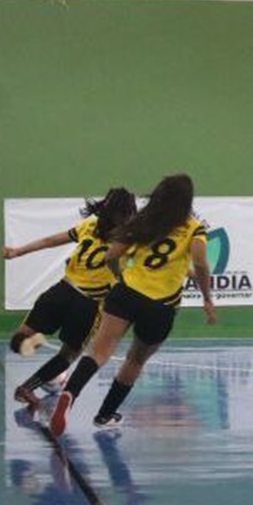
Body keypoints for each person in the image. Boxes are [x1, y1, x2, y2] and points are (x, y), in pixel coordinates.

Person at [49, 174, 216, 437]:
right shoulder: (195, 228)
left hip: (126, 293)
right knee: (136, 359)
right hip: (161, 306)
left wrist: (120, 277)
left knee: (99, 351)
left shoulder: (143, 219)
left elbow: (111, 255)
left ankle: (69, 393)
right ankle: (105, 414)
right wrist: (207, 297)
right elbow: (201, 264)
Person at [2, 188, 138, 407]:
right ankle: (26, 388)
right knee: (69, 355)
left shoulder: (90, 225)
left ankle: (37, 342)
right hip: (89, 303)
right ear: (128, 212)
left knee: (19, 341)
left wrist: (18, 251)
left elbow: (50, 240)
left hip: (60, 292)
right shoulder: (128, 239)